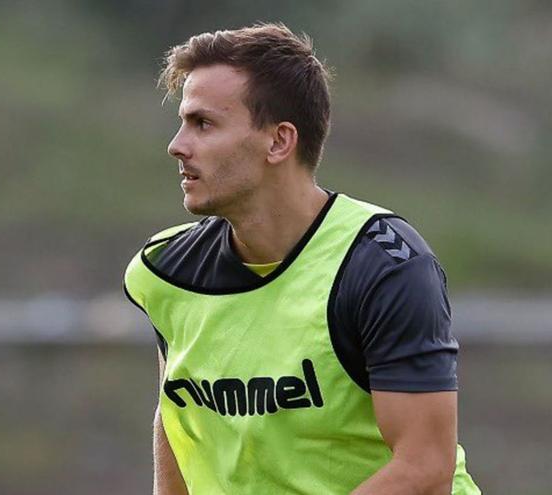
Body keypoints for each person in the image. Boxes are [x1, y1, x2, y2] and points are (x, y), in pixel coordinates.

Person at [123, 22, 481, 494]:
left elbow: (424, 468)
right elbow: (176, 417)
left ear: (279, 141)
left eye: (203, 123)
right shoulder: (166, 271)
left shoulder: (383, 264)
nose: (177, 145)